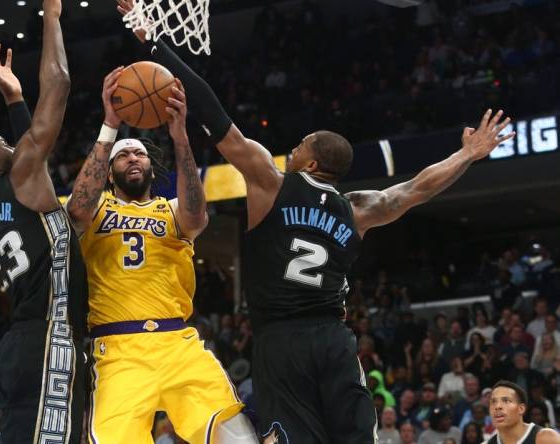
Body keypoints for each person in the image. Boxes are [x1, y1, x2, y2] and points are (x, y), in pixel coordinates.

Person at [115, 1, 515, 442]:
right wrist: (467, 155)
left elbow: (212, 110)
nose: (295, 145)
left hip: (279, 344)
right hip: (333, 339)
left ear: (312, 158)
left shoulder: (270, 181)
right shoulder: (359, 207)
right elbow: (418, 188)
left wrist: (154, 42)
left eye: (301, 143)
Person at [65, 68, 256, 443]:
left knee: (235, 436)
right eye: (124, 156)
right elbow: (75, 211)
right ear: (109, 172)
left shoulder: (170, 210)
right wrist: (110, 126)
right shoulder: (97, 208)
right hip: (117, 349)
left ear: (151, 166)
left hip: (176, 342)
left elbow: (197, 217)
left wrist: (180, 137)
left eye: (139, 153)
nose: (133, 158)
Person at [0, 0, 87, 441]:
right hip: (50, 335)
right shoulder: (19, 178)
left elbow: (33, 161)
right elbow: (59, 84)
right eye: (4, 142)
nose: (14, 144)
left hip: (18, 346)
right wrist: (51, 16)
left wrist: (14, 99)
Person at [486, 380, 560, 444]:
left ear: (521, 409)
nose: (497, 406)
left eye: (506, 401)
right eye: (493, 402)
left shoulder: (546, 438)